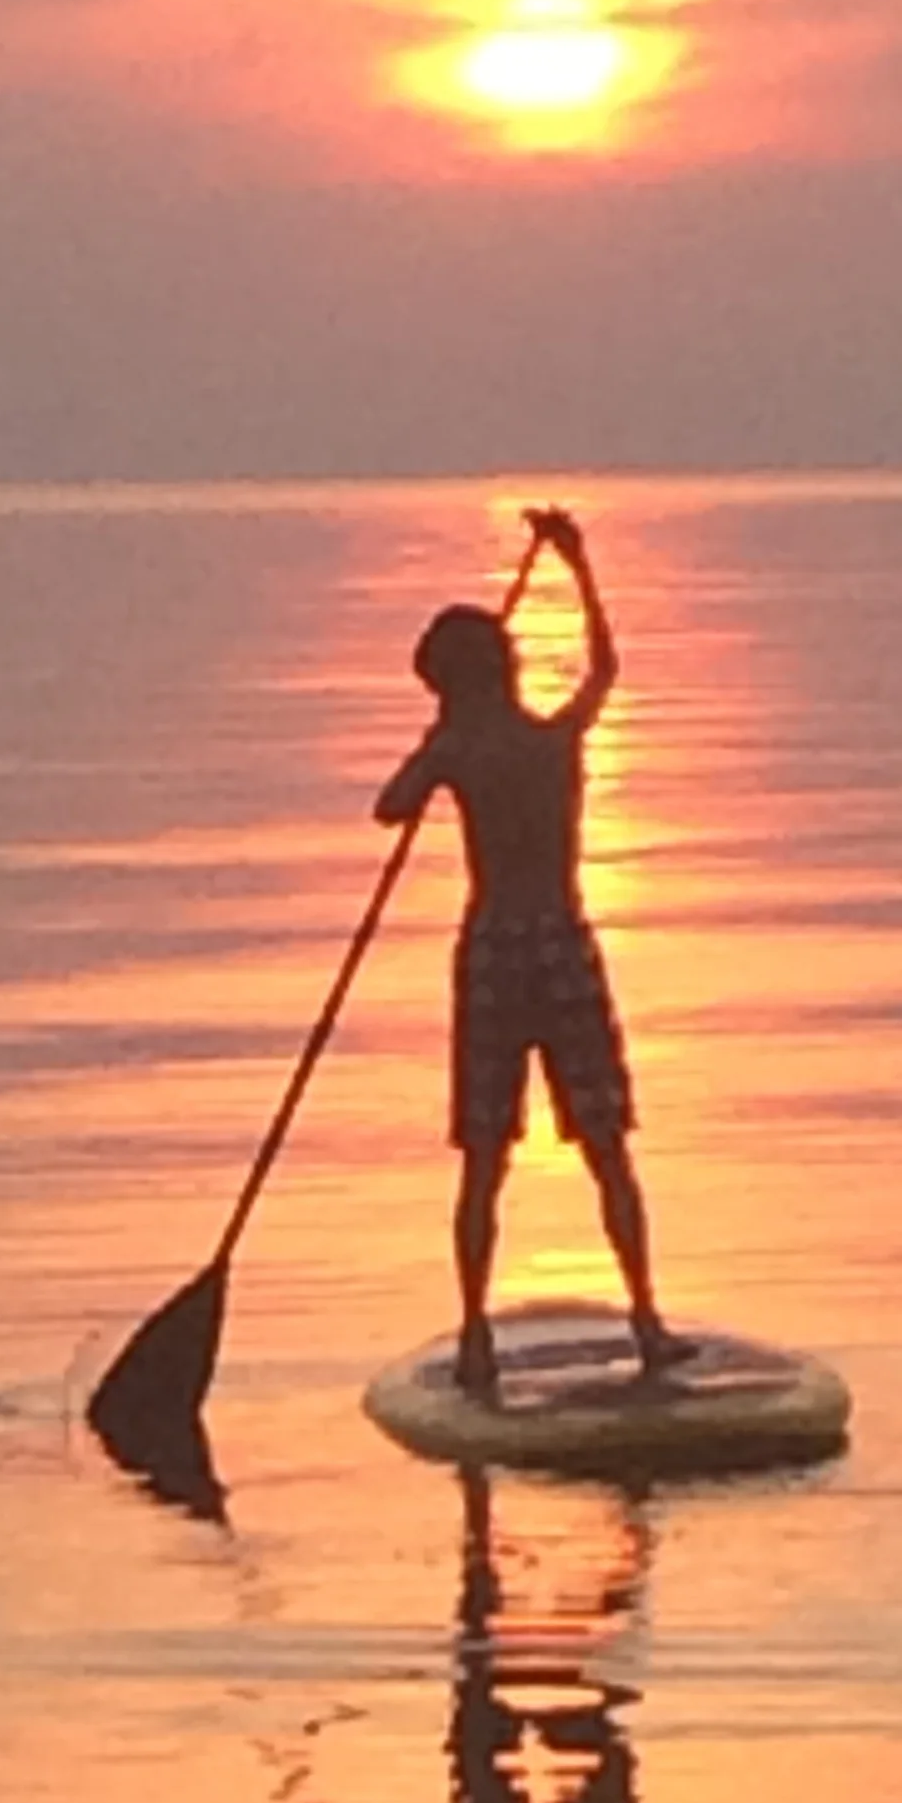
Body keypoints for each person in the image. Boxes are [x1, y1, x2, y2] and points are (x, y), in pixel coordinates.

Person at [376, 507, 686, 1399]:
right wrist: (579, 565)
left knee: (491, 1153)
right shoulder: (548, 742)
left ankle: (483, 1332)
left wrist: (435, 752)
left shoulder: (464, 750)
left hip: (499, 953)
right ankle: (643, 1321)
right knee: (599, 1146)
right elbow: (605, 672)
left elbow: (388, 808)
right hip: (557, 946)